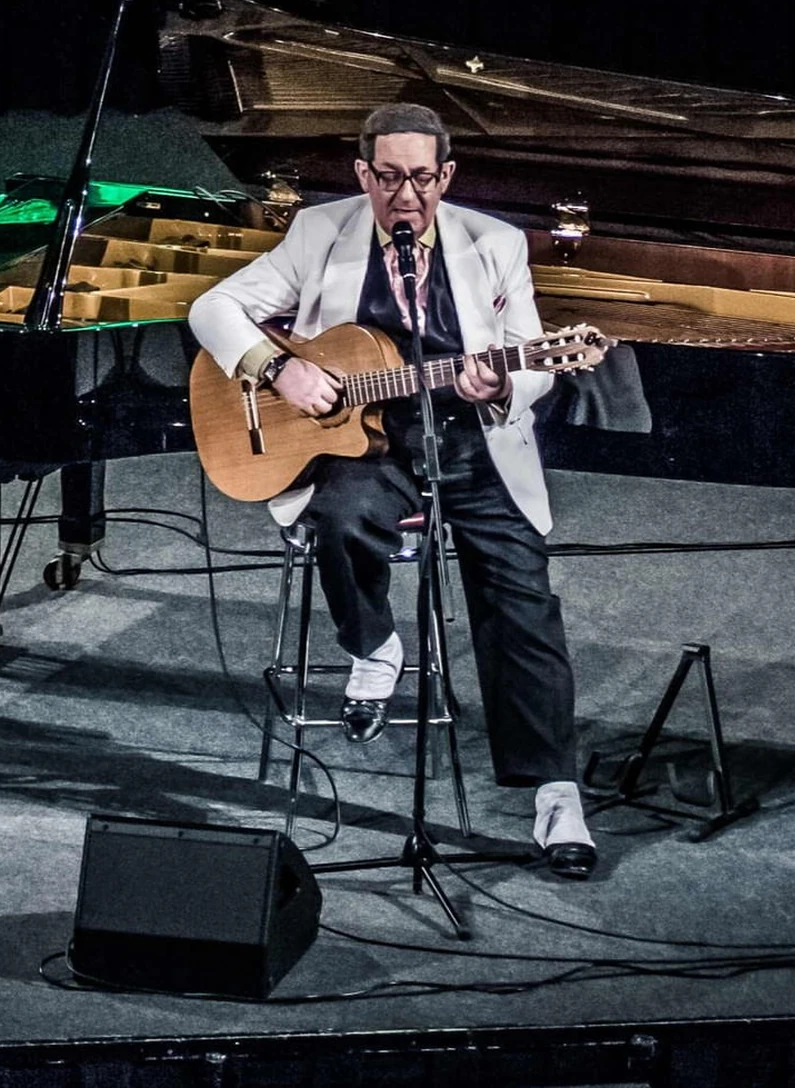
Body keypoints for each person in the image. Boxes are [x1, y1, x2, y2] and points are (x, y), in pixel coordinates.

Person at [189, 103, 603, 879]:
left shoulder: (496, 244)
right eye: (387, 178)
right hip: (366, 444)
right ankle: (374, 645)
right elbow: (211, 307)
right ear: (363, 174)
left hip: (472, 442)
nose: (404, 195)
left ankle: (555, 794)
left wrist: (499, 385)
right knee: (341, 518)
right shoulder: (320, 232)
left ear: (446, 176)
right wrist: (281, 369)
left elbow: (532, 358)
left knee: (521, 596)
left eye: (420, 178)